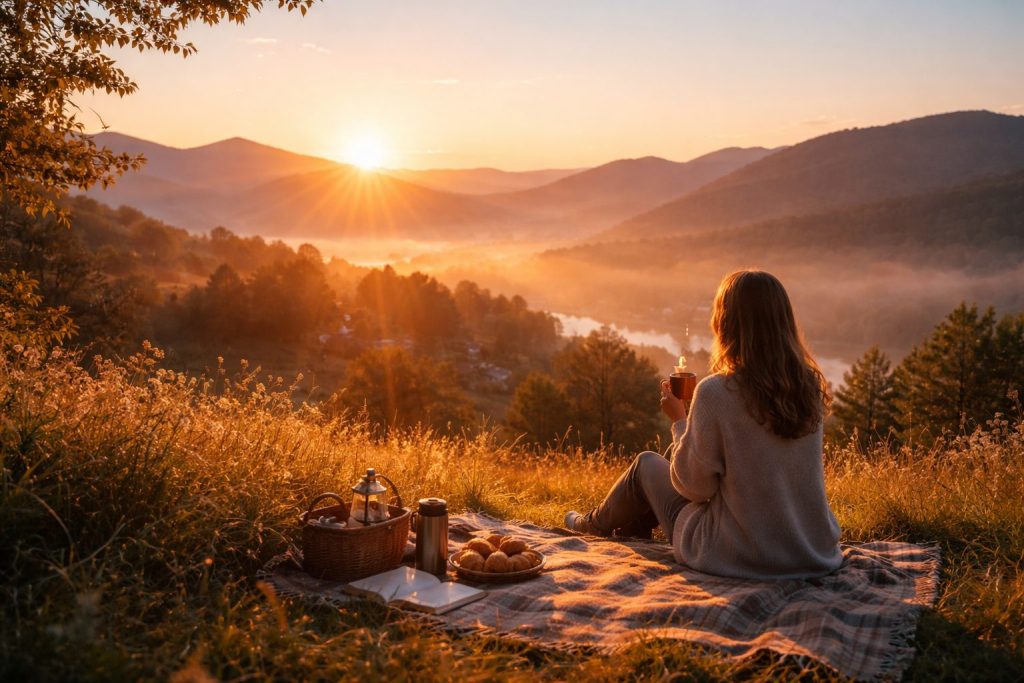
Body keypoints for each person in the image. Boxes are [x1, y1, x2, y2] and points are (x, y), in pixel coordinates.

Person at [564, 270, 843, 580]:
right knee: (658, 471)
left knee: (646, 464)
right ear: (784, 323)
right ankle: (628, 529)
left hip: (740, 554)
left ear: (725, 323)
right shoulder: (807, 388)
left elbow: (694, 487)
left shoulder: (717, 392)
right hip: (811, 552)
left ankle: (590, 525)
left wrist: (680, 422)